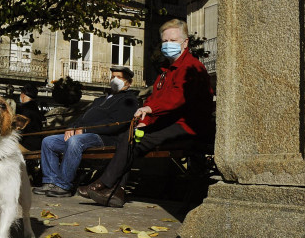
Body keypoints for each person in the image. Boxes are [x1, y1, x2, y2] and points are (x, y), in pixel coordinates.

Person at [82, 19, 215, 207]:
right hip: (172, 123)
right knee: (129, 138)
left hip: (189, 125)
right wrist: (147, 120)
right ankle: (116, 191)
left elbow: (178, 97)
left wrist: (150, 110)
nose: (168, 45)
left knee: (138, 141)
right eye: (165, 41)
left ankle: (104, 184)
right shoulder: (166, 71)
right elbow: (155, 98)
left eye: (173, 40)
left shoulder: (192, 67)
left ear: (185, 43)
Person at [34, 66, 138, 197]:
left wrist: (84, 130)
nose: (115, 80)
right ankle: (51, 181)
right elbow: (82, 118)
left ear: (128, 82)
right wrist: (72, 127)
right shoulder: (100, 100)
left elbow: (116, 124)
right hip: (85, 135)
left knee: (75, 141)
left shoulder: (129, 100)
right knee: (48, 141)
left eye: (119, 77)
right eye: (113, 77)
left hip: (105, 138)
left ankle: (64, 185)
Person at [16, 83, 45, 152]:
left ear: (23, 95)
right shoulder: (35, 108)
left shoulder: (22, 109)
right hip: (36, 144)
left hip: (27, 146)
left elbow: (17, 129)